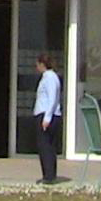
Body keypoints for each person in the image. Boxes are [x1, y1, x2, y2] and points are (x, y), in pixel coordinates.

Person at [32, 54, 65, 184]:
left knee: (45, 146)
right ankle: (49, 174)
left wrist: (47, 118)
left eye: (38, 64)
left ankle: (49, 175)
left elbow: (52, 99)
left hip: (47, 114)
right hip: (47, 114)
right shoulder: (47, 78)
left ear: (42, 64)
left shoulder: (50, 78)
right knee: (48, 146)